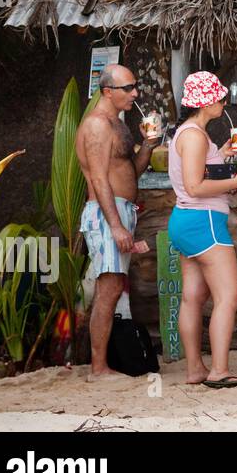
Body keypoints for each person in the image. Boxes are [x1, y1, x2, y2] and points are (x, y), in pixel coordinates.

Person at [167, 71, 237, 388]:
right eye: (219, 97)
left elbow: (197, 171)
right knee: (229, 296)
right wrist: (236, 182)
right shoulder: (194, 136)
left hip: (186, 221)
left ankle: (195, 369)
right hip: (204, 222)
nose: (224, 102)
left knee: (193, 297)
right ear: (206, 103)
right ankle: (218, 370)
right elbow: (195, 185)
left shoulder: (192, 133)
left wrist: (223, 153)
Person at [75, 64, 157, 380]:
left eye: (135, 86)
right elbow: (98, 178)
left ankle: (104, 364)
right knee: (108, 290)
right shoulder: (96, 125)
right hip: (105, 214)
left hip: (121, 210)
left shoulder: (117, 124)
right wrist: (116, 225)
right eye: (129, 88)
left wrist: (148, 145)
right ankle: (98, 368)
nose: (135, 94)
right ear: (108, 91)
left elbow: (129, 173)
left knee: (112, 288)